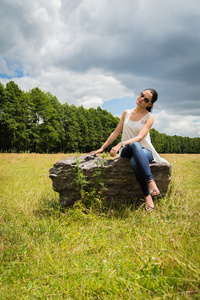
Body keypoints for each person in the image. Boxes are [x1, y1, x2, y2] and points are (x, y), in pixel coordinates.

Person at [92, 89, 169, 212]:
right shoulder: (126, 113)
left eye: (146, 99)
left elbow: (139, 138)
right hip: (127, 151)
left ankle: (147, 196)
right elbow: (116, 132)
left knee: (134, 159)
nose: (141, 98)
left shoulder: (149, 117)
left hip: (145, 152)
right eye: (142, 95)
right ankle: (151, 182)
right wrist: (102, 148)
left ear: (150, 104)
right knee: (133, 146)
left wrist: (120, 144)